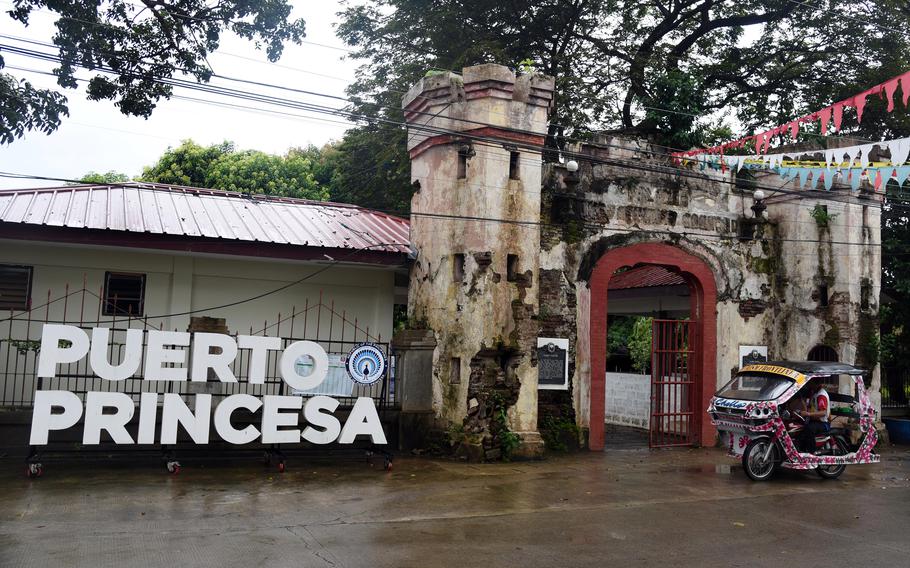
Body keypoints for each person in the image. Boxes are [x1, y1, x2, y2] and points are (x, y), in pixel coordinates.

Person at [797, 379, 830, 453]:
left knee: (809, 429)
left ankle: (812, 453)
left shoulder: (821, 395)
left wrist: (808, 414)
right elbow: (809, 407)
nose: (809, 385)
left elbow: (823, 412)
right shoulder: (814, 393)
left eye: (810, 383)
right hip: (814, 421)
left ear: (816, 384)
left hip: (822, 423)